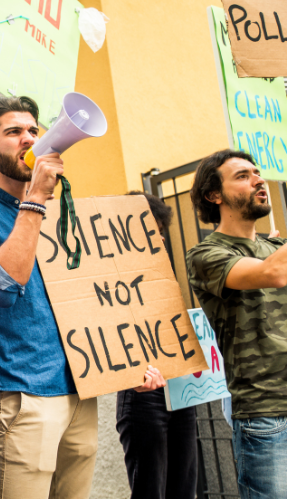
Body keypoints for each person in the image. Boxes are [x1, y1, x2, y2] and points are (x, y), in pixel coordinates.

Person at [0, 96, 99, 499]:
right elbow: (1, 289)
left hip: (79, 392)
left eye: (33, 131)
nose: (28, 140)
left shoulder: (61, 215)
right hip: (22, 395)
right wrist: (34, 198)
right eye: (13, 132)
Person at [186, 149, 287, 499]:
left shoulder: (277, 246)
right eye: (243, 176)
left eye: (257, 173)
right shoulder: (206, 254)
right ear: (215, 195)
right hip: (266, 412)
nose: (259, 180)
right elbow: (273, 273)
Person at [115, 191, 190, 499]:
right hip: (142, 396)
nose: (157, 242)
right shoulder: (107, 282)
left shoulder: (164, 279)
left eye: (159, 234)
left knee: (184, 488)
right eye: (147, 234)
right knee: (150, 490)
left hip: (182, 390)